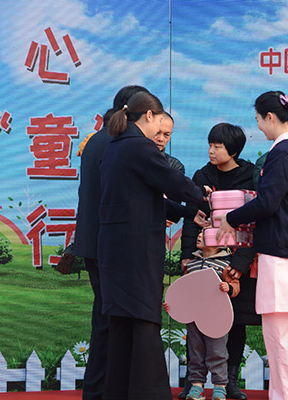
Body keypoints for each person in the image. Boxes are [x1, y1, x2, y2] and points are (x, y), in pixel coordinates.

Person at [98, 90, 208, 400]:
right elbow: (171, 182)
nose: (160, 132)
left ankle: (118, 393)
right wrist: (203, 196)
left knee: (122, 323)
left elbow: (143, 197)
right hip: (136, 248)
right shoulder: (139, 146)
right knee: (145, 318)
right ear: (149, 115)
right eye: (159, 122)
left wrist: (187, 211)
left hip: (115, 246)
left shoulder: (114, 146)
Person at [216, 91, 288, 400]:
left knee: (281, 341)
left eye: (259, 120)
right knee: (281, 339)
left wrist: (231, 218)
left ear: (271, 117)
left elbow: (268, 202)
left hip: (284, 256)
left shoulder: (284, 152)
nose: (259, 126)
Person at [70, 85, 149, 400]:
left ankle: (99, 389)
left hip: (94, 242)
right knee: (111, 322)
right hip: (110, 244)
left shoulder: (97, 141)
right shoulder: (119, 143)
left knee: (104, 319)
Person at [180, 122, 257, 400]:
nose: (211, 151)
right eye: (210, 145)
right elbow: (192, 217)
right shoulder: (202, 175)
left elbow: (255, 221)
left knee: (234, 320)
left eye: (218, 146)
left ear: (233, 150)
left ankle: (229, 381)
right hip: (204, 259)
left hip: (236, 259)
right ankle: (193, 381)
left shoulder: (250, 175)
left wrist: (242, 263)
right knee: (196, 319)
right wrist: (187, 254)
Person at [165, 230, 240, 400]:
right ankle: (197, 386)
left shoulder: (224, 265)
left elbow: (235, 284)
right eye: (199, 233)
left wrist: (228, 287)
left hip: (216, 317)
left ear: (218, 241)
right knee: (195, 352)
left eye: (204, 234)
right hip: (194, 317)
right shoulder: (191, 264)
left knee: (217, 351)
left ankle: (220, 386)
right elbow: (183, 289)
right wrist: (173, 304)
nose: (199, 236)